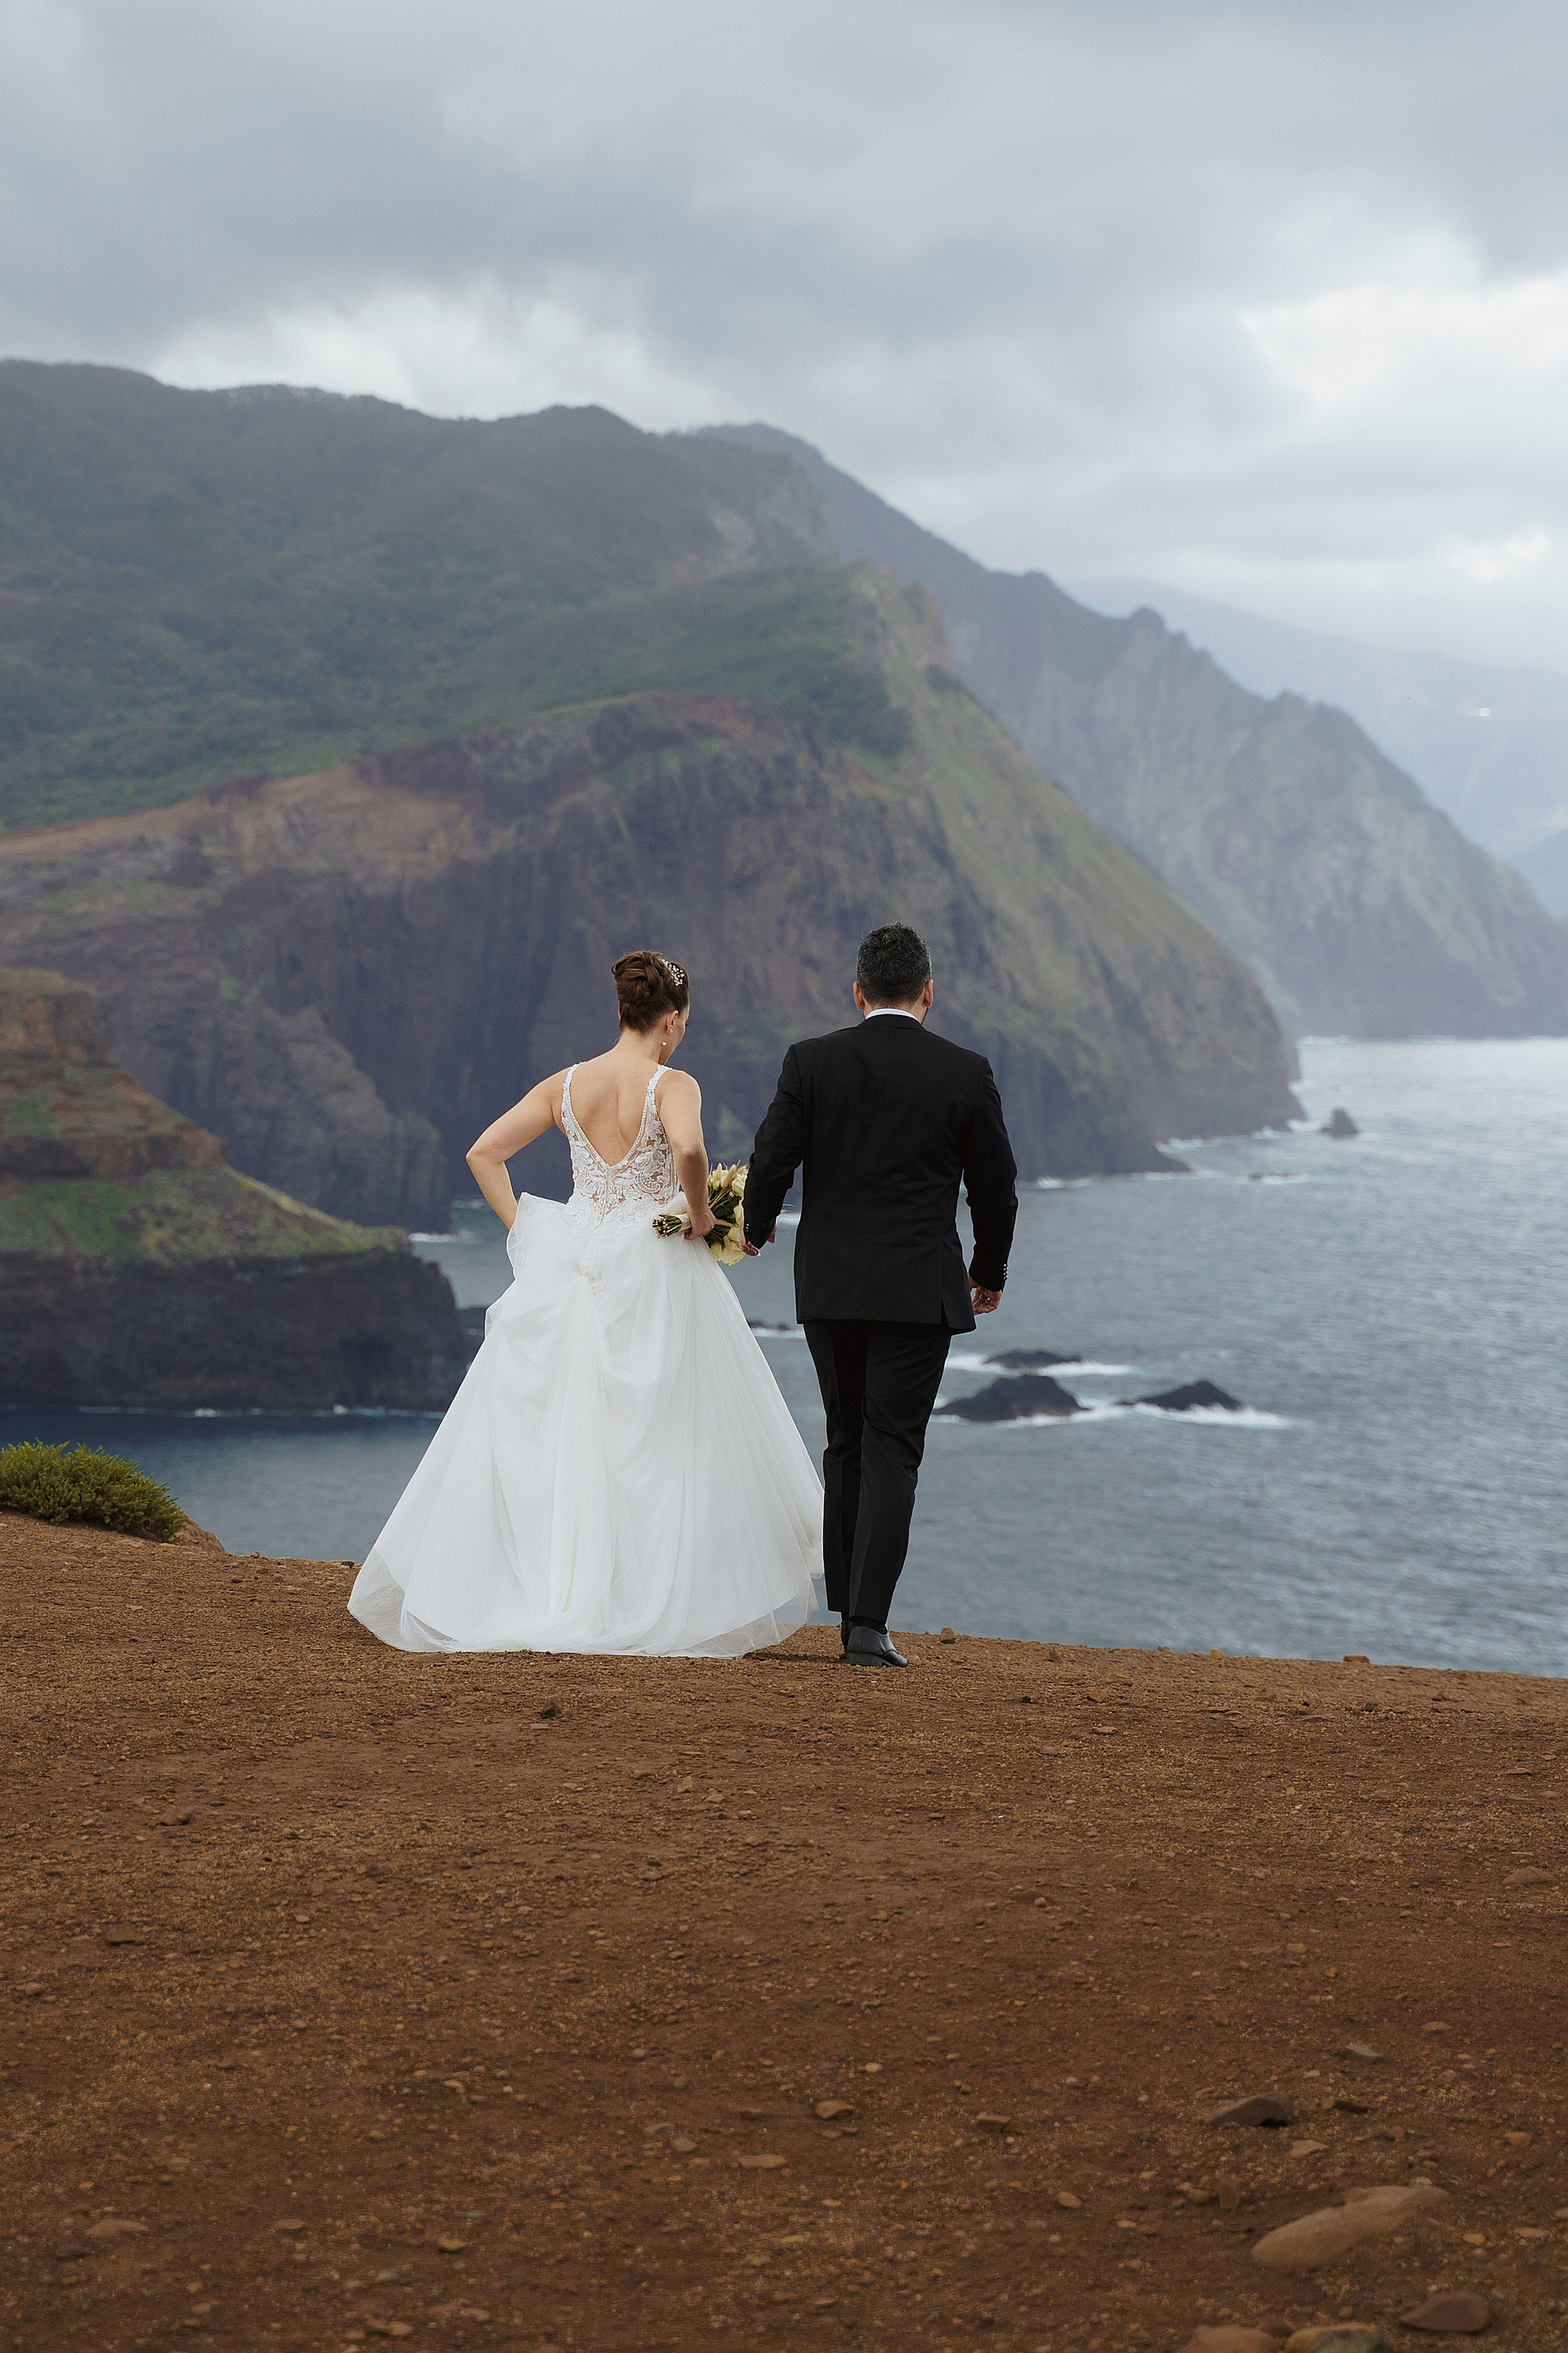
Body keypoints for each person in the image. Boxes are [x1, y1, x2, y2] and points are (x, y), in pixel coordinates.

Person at [347, 951, 823, 1656]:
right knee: (657, 1435)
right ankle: (639, 1594)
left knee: (566, 1431)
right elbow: (689, 1148)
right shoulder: (673, 1083)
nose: (681, 1034)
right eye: (683, 1023)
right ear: (667, 1021)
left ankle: (548, 1586)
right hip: (652, 1264)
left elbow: (484, 1153)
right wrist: (700, 1213)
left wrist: (530, 1232)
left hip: (572, 1257)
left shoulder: (566, 1085)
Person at [743, 923, 1018, 1667]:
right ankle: (866, 1625)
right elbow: (997, 1187)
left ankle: (847, 1608)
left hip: (830, 1286)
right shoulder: (965, 1071)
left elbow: (773, 1156)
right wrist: (988, 1272)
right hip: (916, 1289)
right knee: (893, 1446)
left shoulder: (812, 1061)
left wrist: (757, 1226)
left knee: (845, 1440)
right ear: (928, 992)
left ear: (857, 991)